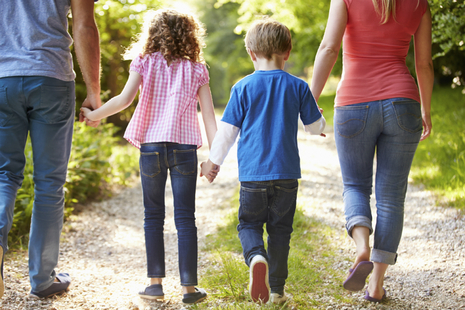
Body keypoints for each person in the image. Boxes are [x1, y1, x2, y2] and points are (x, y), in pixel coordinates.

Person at [81, 8, 217, 304]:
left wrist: (95, 115)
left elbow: (124, 99)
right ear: (190, 36)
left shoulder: (143, 62)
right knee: (185, 218)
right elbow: (208, 116)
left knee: (152, 216)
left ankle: (154, 285)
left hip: (151, 148)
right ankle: (189, 289)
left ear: (153, 34)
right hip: (184, 149)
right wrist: (213, 159)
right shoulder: (197, 69)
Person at [310, 0, 433, 302]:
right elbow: (424, 64)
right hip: (403, 104)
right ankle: (376, 284)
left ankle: (361, 246)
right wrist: (426, 110)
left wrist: (310, 101)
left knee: (355, 185)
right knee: (391, 197)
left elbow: (329, 48)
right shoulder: (419, 4)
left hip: (354, 104)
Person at [201, 18, 326, 304]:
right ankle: (278, 291)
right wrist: (319, 121)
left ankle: (256, 256)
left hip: (253, 176)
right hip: (286, 175)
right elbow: (315, 127)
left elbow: (227, 133)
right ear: (288, 51)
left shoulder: (242, 88)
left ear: (251, 53)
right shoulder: (298, 86)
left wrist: (212, 163)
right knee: (281, 230)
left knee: (249, 225)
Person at [0, 0, 101, 299]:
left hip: (3, 78)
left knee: (4, 174)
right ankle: (43, 279)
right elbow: (84, 24)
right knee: (49, 183)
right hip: (51, 77)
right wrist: (93, 90)